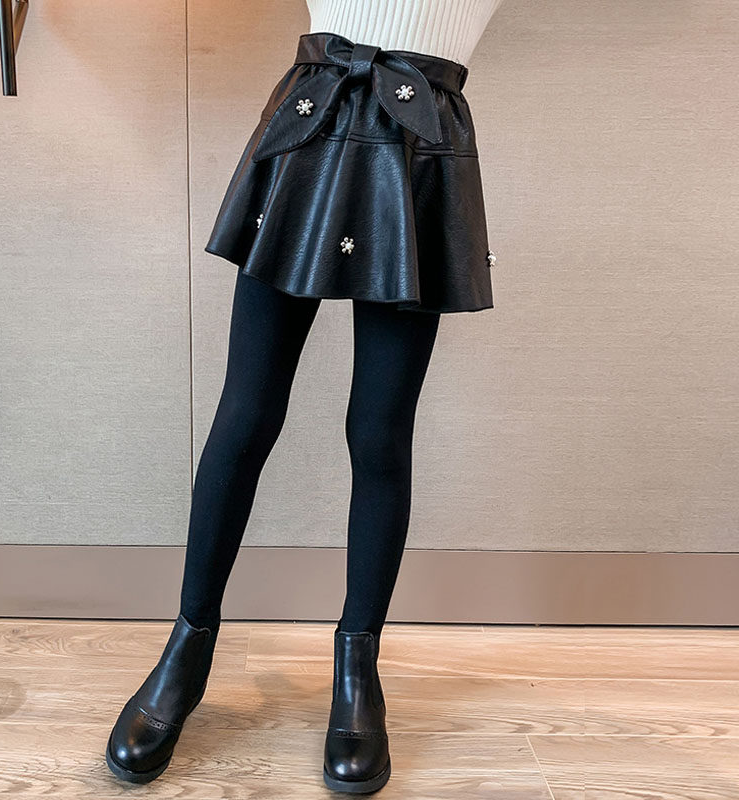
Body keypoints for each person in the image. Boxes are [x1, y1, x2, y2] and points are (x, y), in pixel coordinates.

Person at [106, 0, 503, 792]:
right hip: (309, 124)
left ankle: (358, 667)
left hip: (421, 148)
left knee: (380, 433)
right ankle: (187, 648)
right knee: (246, 413)